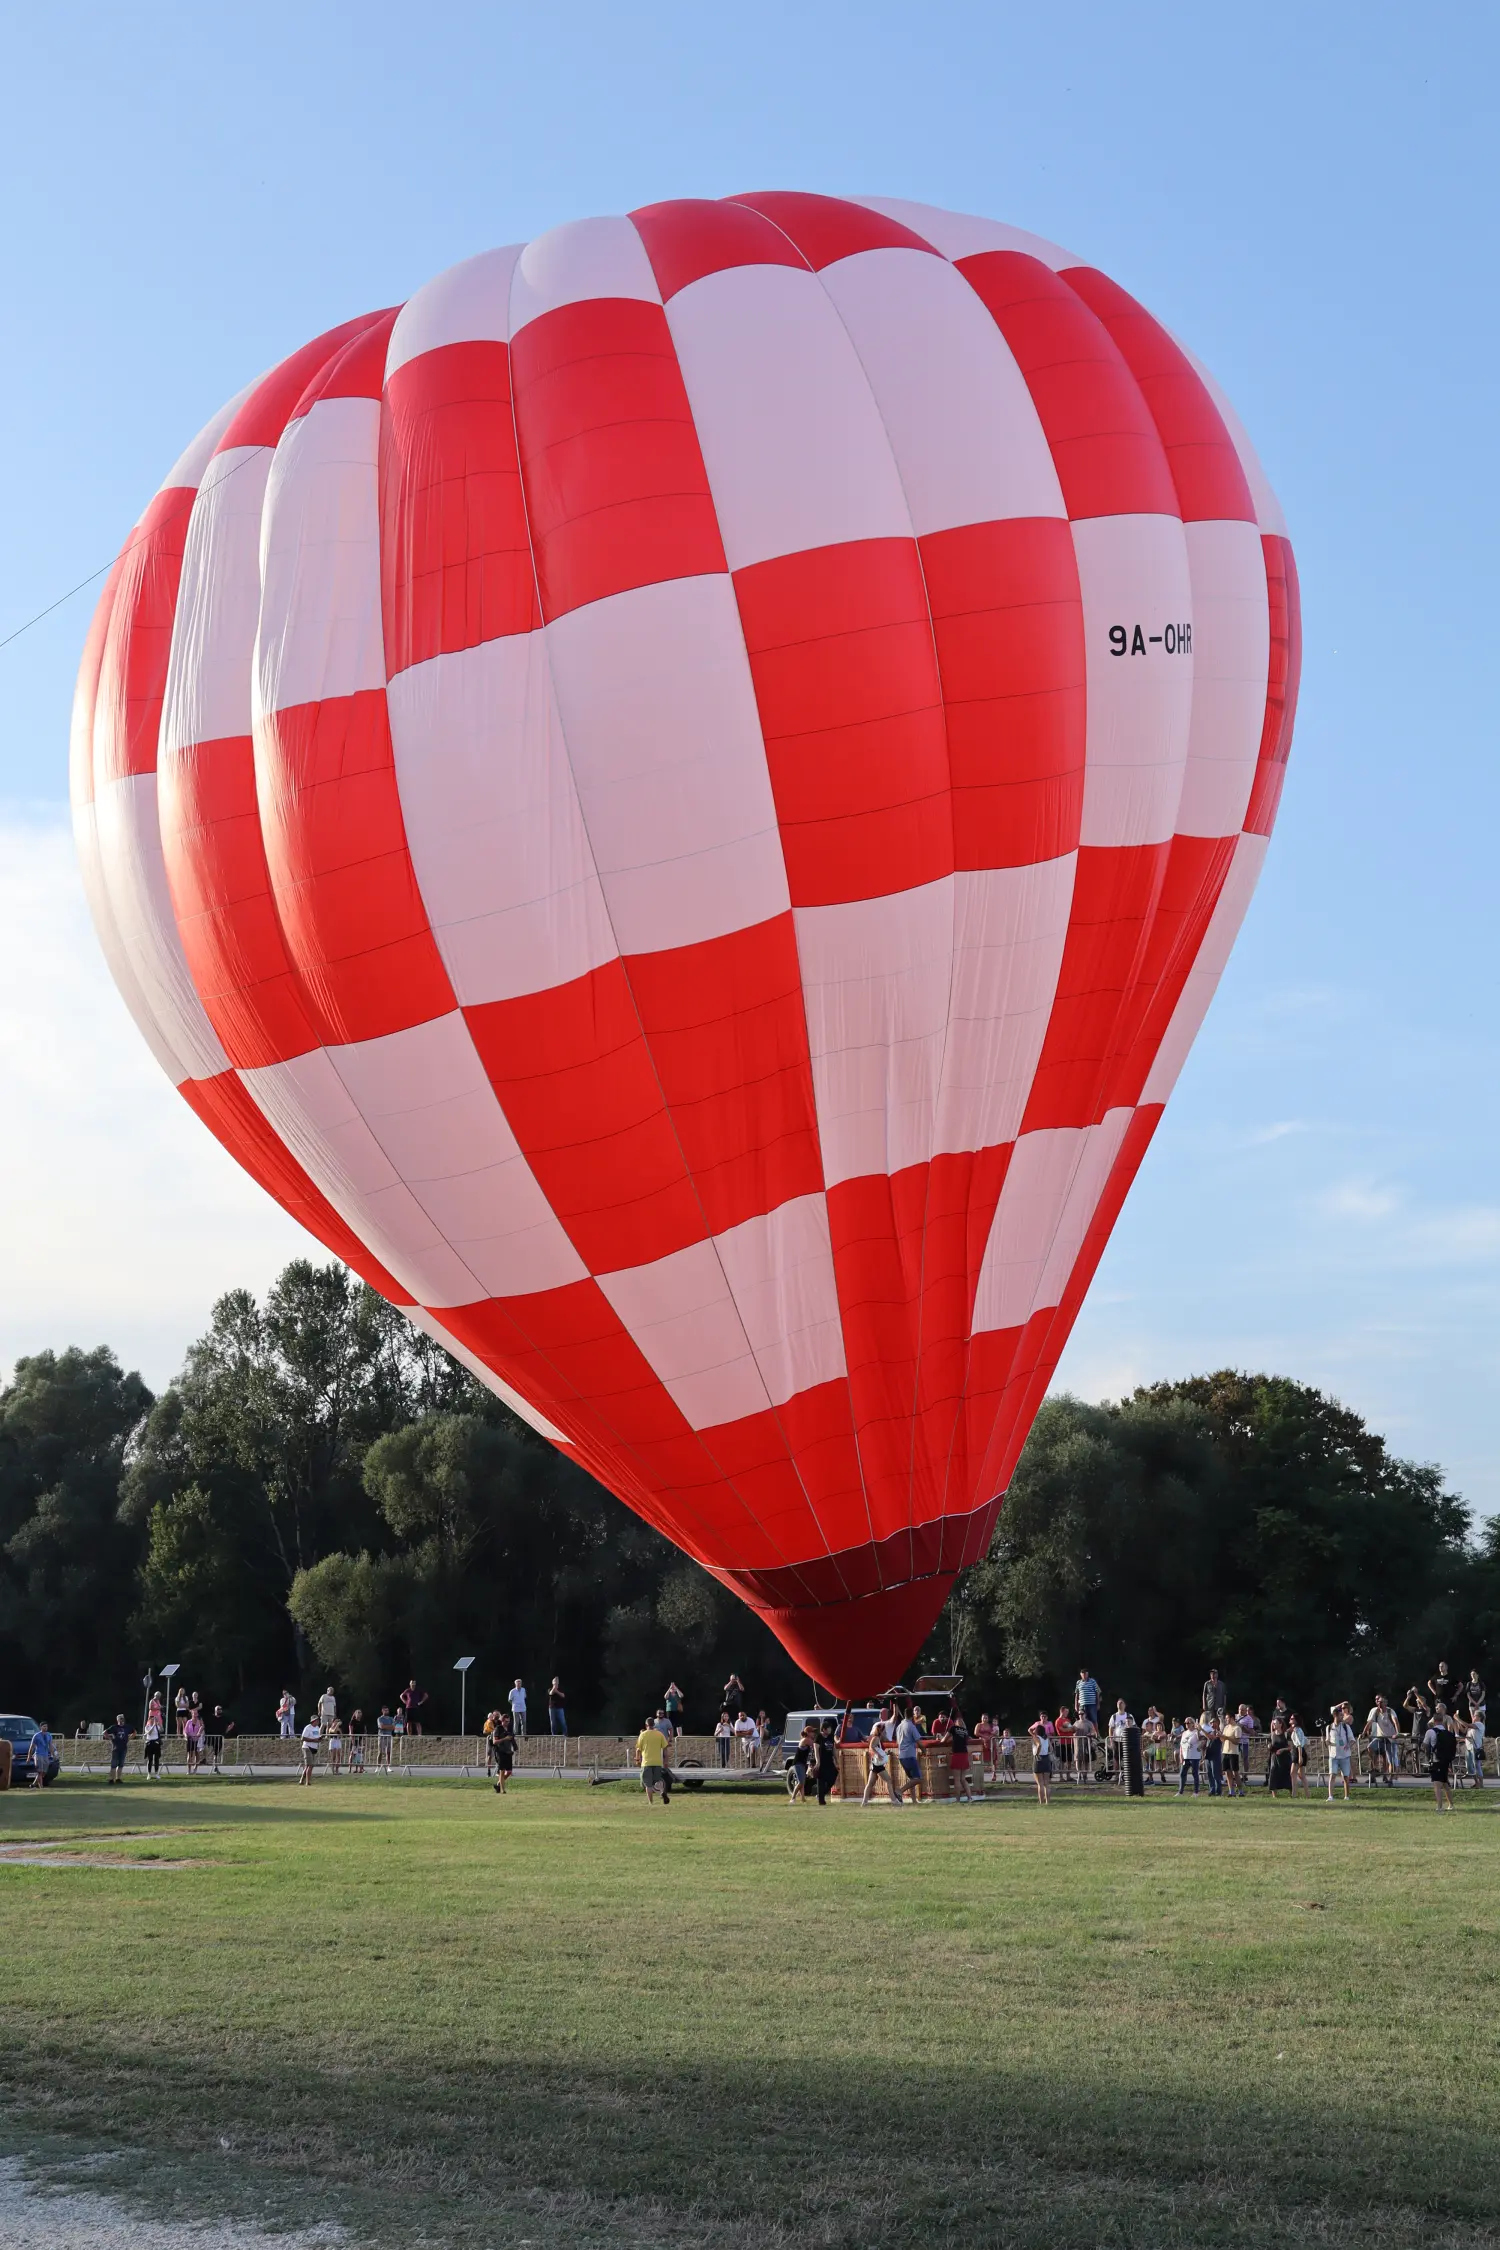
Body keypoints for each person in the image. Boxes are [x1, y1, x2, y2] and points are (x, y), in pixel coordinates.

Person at [1425, 1705, 1458, 1811]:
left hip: (1436, 1760)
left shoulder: (1431, 1732)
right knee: (1445, 1783)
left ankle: (1439, 1807)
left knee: (1437, 1784)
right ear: (1442, 1720)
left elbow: (1425, 1745)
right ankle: (1451, 1805)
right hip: (1446, 1760)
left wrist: (1427, 1755)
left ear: (1434, 1721)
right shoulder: (1448, 1733)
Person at [861, 1722, 900, 1806]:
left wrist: (884, 1753)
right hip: (878, 1765)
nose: (885, 1732)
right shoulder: (876, 1738)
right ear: (881, 1731)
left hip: (875, 1764)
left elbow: (875, 1748)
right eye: (884, 1731)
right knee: (888, 1781)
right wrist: (878, 1754)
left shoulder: (877, 1738)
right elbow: (871, 1747)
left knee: (870, 1784)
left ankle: (864, 1802)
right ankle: (894, 1801)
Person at [636, 1714, 669, 1805]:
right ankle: (662, 1791)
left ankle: (651, 1802)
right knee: (657, 1781)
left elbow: (638, 1749)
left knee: (648, 1785)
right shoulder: (659, 1734)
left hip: (646, 1762)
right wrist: (666, 1761)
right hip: (657, 1762)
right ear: (654, 1725)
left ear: (646, 1725)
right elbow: (665, 1749)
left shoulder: (642, 1735)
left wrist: (638, 1759)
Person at [895, 1707, 925, 1804]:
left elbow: (897, 1741)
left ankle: (914, 1801)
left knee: (912, 1779)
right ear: (912, 1715)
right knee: (919, 1779)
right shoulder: (911, 1726)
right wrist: (924, 1751)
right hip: (909, 1755)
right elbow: (919, 1742)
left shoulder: (899, 1726)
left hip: (901, 1755)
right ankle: (899, 1791)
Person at [1326, 1705, 1355, 1801]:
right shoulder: (1329, 1727)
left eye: (1342, 1715)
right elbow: (1328, 1740)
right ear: (1335, 1715)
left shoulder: (1346, 1727)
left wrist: (1348, 1745)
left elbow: (1352, 1740)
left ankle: (1346, 1796)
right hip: (1333, 1755)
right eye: (1340, 1715)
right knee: (1332, 1775)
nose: (1342, 1717)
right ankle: (1330, 1796)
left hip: (1344, 1755)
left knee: (1346, 1776)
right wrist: (1327, 1742)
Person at [948, 1709, 974, 1801]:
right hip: (964, 1754)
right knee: (963, 1779)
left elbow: (944, 1740)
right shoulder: (965, 1731)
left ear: (955, 1722)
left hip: (957, 1754)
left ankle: (958, 1799)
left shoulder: (953, 1728)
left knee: (957, 1779)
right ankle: (969, 1797)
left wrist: (940, 1738)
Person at [1027, 1713, 1053, 1803]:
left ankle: (1041, 1801)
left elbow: (1039, 1745)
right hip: (1046, 1758)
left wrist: (1037, 1753)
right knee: (1046, 1784)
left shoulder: (1036, 1737)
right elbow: (1051, 1748)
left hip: (1038, 1759)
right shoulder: (1046, 1738)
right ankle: (1047, 1801)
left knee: (1040, 1784)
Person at [1106, 1700, 1133, 1784]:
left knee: (1127, 1758)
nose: (1120, 1705)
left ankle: (1127, 1775)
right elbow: (1110, 1728)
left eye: (1122, 1703)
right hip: (1116, 1740)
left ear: (1125, 1705)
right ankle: (1117, 1775)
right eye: (1118, 1703)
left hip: (1126, 1740)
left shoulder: (1129, 1715)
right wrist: (1111, 1739)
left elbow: (1133, 1726)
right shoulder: (1114, 1716)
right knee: (1116, 1758)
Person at [1266, 1723, 1294, 1797]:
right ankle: (1274, 1795)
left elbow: (1290, 1747)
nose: (1274, 1725)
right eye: (1273, 1724)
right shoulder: (1271, 1735)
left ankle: (1292, 1794)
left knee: (1287, 1775)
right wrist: (1269, 1746)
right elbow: (1269, 1744)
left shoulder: (1286, 1734)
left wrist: (1282, 1750)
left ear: (1280, 1724)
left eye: (1275, 1723)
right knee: (1273, 1774)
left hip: (1285, 1757)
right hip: (1275, 1757)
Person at [1177, 1718, 1203, 1796]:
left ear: (1192, 1723)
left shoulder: (1196, 1732)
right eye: (1186, 1723)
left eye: (1188, 1723)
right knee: (1182, 1773)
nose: (1187, 1724)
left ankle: (1196, 1792)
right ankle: (1180, 1791)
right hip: (1185, 1756)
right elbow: (1181, 1745)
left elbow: (1199, 1738)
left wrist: (1198, 1730)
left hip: (1194, 1756)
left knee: (1195, 1774)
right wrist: (1181, 1755)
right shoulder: (1184, 1733)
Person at [105, 1714, 132, 1785]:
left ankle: (118, 1778)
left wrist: (129, 1738)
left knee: (121, 1764)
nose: (122, 1720)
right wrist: (110, 1738)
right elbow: (105, 1733)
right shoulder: (114, 1727)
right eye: (120, 1719)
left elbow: (134, 1732)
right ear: (117, 1720)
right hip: (115, 1748)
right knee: (113, 1764)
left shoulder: (127, 1727)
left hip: (123, 1748)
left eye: (122, 1719)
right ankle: (111, 1779)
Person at [492, 1714, 515, 1796]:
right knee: (502, 1771)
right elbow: (494, 1742)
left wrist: (514, 1747)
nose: (507, 1723)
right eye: (506, 1721)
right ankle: (503, 1790)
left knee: (509, 1772)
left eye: (508, 1721)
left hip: (508, 1752)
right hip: (500, 1752)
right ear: (502, 1721)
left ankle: (498, 1784)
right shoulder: (498, 1729)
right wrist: (505, 1739)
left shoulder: (509, 1729)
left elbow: (512, 1739)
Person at [1221, 1710, 1242, 1798]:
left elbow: (1237, 1741)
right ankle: (1231, 1791)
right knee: (1227, 1772)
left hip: (1233, 1753)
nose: (1226, 1720)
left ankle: (1240, 1791)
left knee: (1235, 1772)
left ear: (1232, 1718)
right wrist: (1221, 1736)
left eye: (1227, 1718)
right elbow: (1223, 1740)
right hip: (1225, 1751)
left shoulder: (1237, 1728)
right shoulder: (1226, 1728)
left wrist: (1227, 1738)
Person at [27, 1721, 54, 1790]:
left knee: (44, 1772)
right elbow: (31, 1747)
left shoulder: (49, 1735)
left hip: (45, 1755)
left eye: (46, 1726)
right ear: (40, 1727)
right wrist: (29, 1757)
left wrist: (52, 1754)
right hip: (38, 1754)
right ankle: (41, 1787)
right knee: (40, 1771)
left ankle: (33, 1784)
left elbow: (50, 1745)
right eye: (44, 1726)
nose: (45, 1728)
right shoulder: (36, 1736)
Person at [1074, 1668, 1100, 1735]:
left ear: (1087, 1674)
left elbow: (1097, 1692)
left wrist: (1098, 1704)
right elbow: (1077, 1694)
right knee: (1083, 1719)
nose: (1084, 1676)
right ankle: (1084, 1733)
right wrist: (1076, 1705)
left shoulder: (1092, 1681)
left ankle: (1096, 1734)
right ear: (1081, 1675)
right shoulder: (1078, 1682)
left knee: (1094, 1719)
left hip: (1092, 1704)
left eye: (1085, 1674)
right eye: (1083, 1675)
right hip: (1082, 1704)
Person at [298, 1717, 322, 1785]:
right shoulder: (308, 1727)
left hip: (314, 1748)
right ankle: (307, 1782)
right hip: (307, 1747)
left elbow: (317, 1736)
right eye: (317, 1720)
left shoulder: (317, 1727)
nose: (318, 1722)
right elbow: (303, 1738)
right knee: (310, 1765)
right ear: (313, 1721)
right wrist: (313, 1740)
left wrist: (319, 1739)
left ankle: (301, 1780)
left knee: (308, 1766)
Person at [182, 1706, 204, 1776]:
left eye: (196, 1713)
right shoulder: (189, 1722)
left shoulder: (199, 1721)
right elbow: (185, 1731)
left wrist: (199, 1732)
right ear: (192, 1714)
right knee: (190, 1754)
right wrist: (186, 1735)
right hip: (190, 1739)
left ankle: (195, 1768)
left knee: (197, 1753)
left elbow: (202, 1727)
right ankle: (189, 1770)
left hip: (197, 1739)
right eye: (194, 1713)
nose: (195, 1715)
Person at [376, 1706, 397, 1771]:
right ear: (382, 1711)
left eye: (387, 1710)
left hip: (389, 1736)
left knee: (388, 1752)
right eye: (385, 1710)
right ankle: (378, 1767)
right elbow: (381, 1726)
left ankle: (388, 1767)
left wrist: (386, 1726)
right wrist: (389, 1726)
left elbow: (393, 1727)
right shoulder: (380, 1718)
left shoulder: (391, 1719)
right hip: (381, 1736)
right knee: (380, 1752)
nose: (386, 1711)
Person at [143, 1712, 164, 1778]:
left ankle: (156, 1773)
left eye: (153, 1719)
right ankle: (149, 1774)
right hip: (149, 1743)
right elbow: (149, 1733)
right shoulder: (147, 1727)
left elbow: (162, 1730)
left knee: (156, 1759)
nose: (152, 1721)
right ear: (149, 1720)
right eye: (151, 1719)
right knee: (150, 1759)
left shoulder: (156, 1726)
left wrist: (159, 1723)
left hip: (156, 1743)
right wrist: (153, 1726)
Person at [207, 1706, 227, 1773]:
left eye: (220, 1709)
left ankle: (215, 1766)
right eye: (218, 1709)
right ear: (215, 1710)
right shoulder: (211, 1718)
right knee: (210, 1752)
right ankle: (212, 1764)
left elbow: (231, 1724)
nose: (220, 1710)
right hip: (211, 1737)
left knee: (216, 1753)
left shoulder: (223, 1718)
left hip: (219, 1737)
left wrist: (225, 1732)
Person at [347, 1710, 366, 1775]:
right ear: (355, 1714)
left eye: (360, 1713)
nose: (359, 1714)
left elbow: (364, 1731)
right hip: (354, 1740)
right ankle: (349, 1768)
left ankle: (357, 1769)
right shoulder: (352, 1721)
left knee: (359, 1754)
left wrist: (363, 1740)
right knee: (352, 1754)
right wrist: (353, 1741)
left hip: (360, 1740)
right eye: (358, 1713)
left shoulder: (362, 1722)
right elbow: (351, 1732)